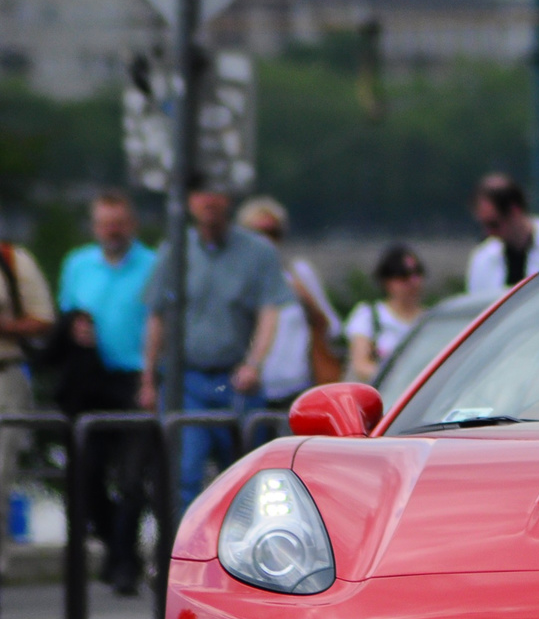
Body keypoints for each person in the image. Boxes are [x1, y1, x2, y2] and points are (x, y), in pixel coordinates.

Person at [141, 185, 292, 510]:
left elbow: (270, 312)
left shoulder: (258, 252)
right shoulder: (175, 250)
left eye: (216, 192)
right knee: (184, 473)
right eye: (199, 192)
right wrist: (148, 378)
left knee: (244, 477)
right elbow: (157, 316)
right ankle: (184, 554)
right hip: (187, 379)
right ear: (189, 201)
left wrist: (255, 363)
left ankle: (240, 553)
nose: (208, 201)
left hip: (234, 378)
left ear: (230, 199)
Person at [54, 190, 158, 594]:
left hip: (136, 377)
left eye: (118, 223)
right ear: (96, 227)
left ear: (131, 225)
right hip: (92, 380)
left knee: (132, 478)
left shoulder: (152, 265)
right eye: (104, 224)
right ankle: (119, 549)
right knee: (88, 473)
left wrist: (153, 377)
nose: (112, 231)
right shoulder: (79, 264)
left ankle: (124, 562)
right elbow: (66, 311)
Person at [236, 196, 341, 409]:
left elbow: (332, 327)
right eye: (258, 234)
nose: (266, 241)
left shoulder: (299, 273)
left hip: (296, 387)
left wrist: (305, 298)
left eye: (273, 233)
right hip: (250, 387)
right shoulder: (236, 279)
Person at [0, 225, 55, 567]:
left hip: (5, 373)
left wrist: (6, 325)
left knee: (1, 470)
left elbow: (43, 318)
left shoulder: (12, 260)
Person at [465, 175, 539, 296]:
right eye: (484, 225)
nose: (489, 233)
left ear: (514, 211)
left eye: (493, 224)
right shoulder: (482, 259)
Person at [347, 244, 426, 383]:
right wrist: (401, 378)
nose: (413, 282)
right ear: (387, 281)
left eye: (417, 273)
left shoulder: (430, 319)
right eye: (404, 275)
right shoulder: (369, 316)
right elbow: (360, 365)